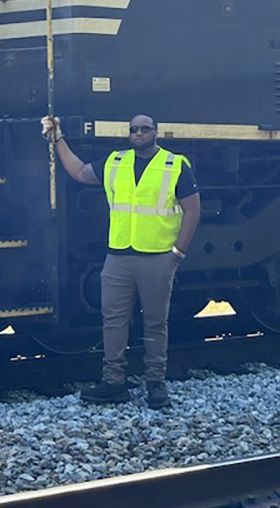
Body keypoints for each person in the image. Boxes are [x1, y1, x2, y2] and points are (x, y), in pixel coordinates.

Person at [41, 114, 201, 409]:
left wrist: (177, 253)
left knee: (155, 323)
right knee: (113, 321)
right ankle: (113, 382)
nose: (138, 133)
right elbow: (80, 172)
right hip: (119, 257)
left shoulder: (175, 165)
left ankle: (156, 383)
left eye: (144, 129)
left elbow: (193, 210)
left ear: (156, 132)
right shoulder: (116, 162)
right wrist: (58, 139)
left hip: (157, 257)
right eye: (134, 129)